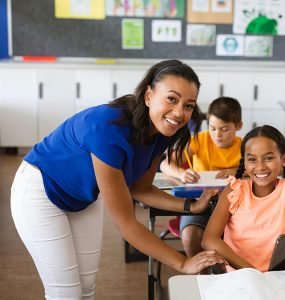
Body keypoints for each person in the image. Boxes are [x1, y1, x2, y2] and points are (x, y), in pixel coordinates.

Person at [10, 59, 225, 299]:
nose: (179, 113)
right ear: (148, 95)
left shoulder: (161, 131)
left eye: (189, 105)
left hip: (82, 198)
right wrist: (183, 263)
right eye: (172, 99)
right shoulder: (108, 128)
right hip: (40, 192)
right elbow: (127, 224)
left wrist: (191, 206)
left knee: (86, 287)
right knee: (66, 293)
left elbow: (141, 189)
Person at [202, 125, 285, 272]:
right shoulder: (234, 190)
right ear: (244, 162)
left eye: (268, 158)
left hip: (279, 276)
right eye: (252, 159)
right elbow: (209, 239)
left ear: (283, 159)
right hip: (240, 276)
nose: (260, 167)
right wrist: (251, 272)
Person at [160, 96, 243, 258]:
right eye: (212, 128)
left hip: (233, 207)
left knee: (242, 236)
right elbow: (165, 164)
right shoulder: (200, 140)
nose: (217, 135)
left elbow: (260, 172)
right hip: (199, 202)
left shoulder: (245, 146)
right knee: (191, 236)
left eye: (224, 129)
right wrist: (182, 173)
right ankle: (201, 274)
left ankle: (227, 273)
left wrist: (237, 171)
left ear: (238, 126)